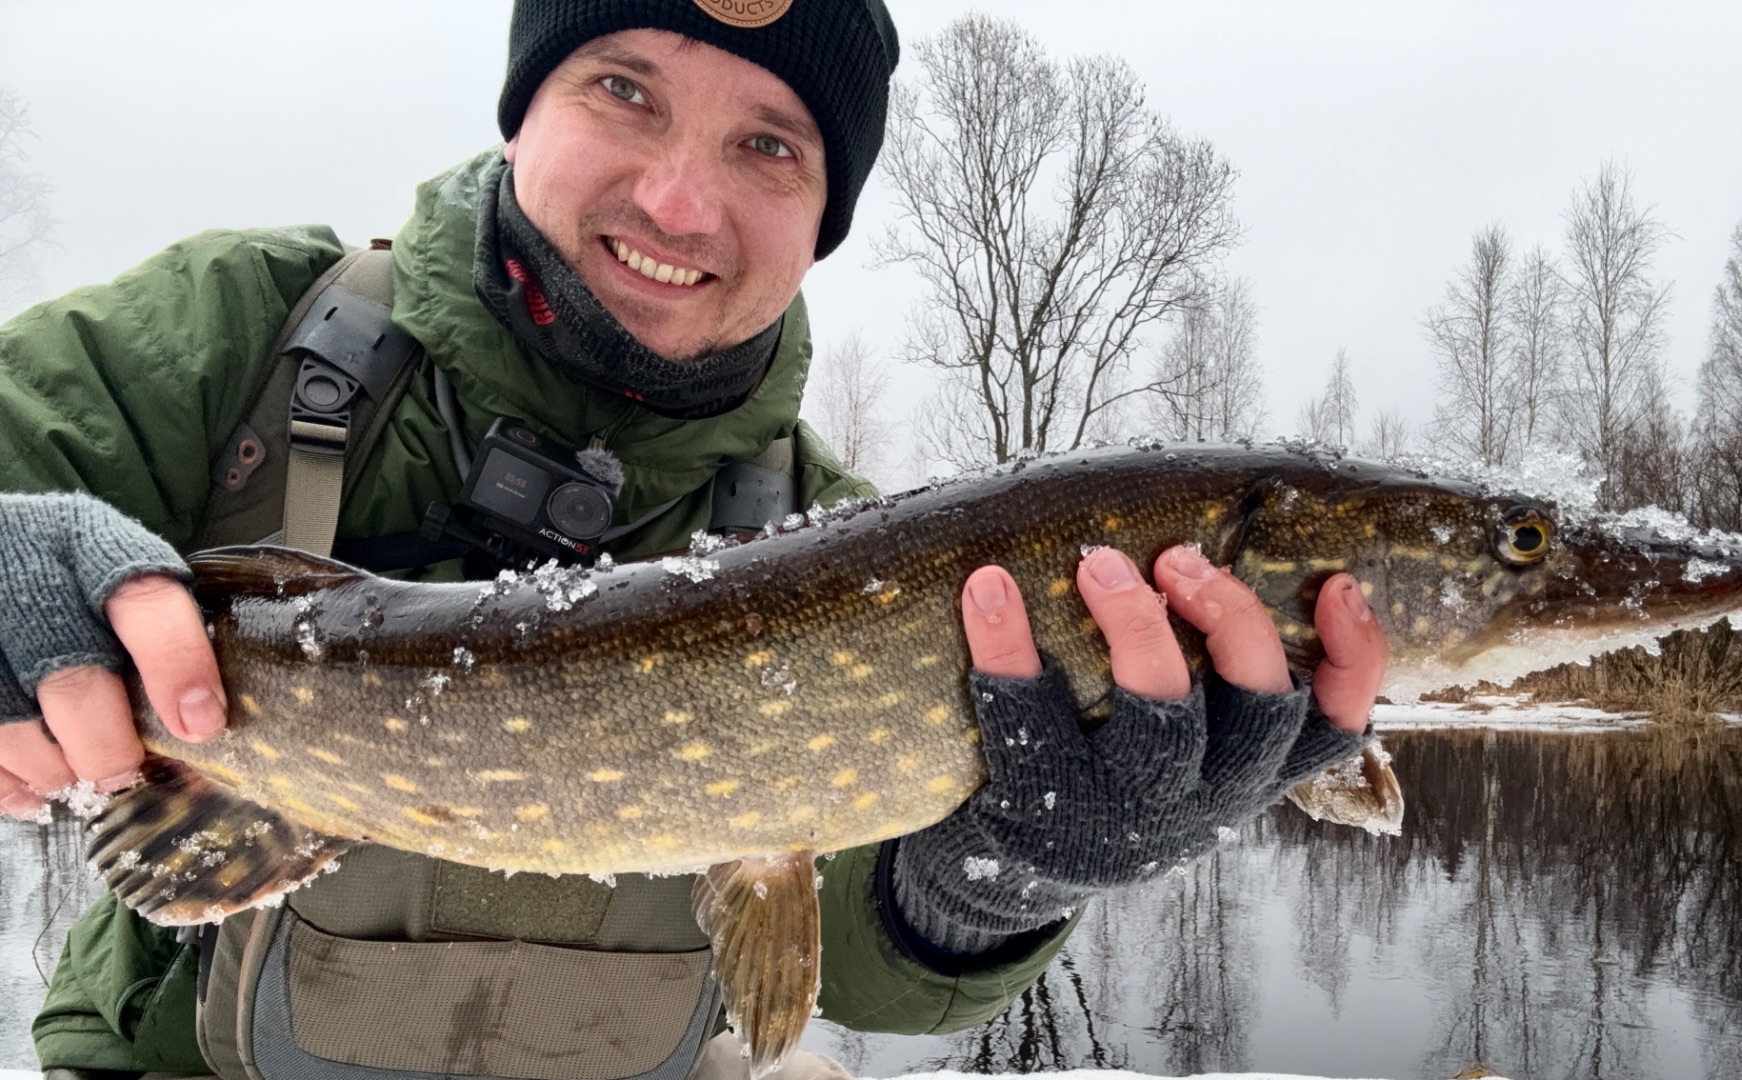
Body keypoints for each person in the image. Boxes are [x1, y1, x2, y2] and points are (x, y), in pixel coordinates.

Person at [0, 3, 1389, 1078]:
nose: (679, 201)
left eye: (768, 144)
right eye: (625, 90)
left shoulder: (866, 551)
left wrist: (992, 873)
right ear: (522, 106)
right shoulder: (240, 338)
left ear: (824, 212)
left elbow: (856, 974)